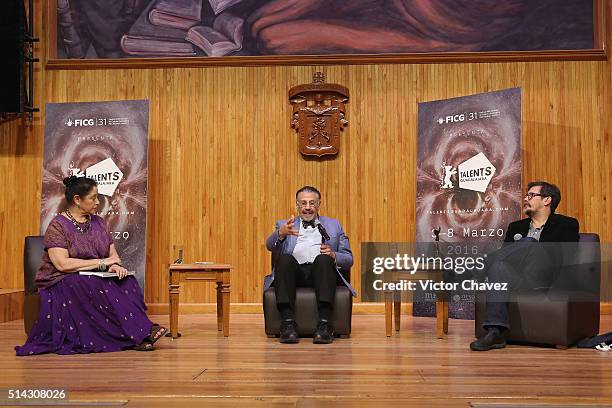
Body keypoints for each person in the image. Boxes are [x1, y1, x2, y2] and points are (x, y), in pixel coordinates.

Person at [16, 176, 166, 356]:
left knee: (127, 281)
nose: (98, 202)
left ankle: (139, 333)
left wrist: (115, 267)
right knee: (92, 284)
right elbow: (62, 264)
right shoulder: (58, 226)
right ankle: (138, 336)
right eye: (93, 198)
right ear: (77, 200)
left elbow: (113, 256)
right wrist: (101, 263)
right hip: (62, 279)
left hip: (95, 274)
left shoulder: (99, 222)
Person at [470, 181, 579, 351]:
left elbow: (566, 257)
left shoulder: (567, 224)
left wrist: (533, 246)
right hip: (517, 281)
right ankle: (495, 332)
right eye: (526, 195)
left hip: (545, 280)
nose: (525, 199)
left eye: (531, 195)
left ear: (547, 200)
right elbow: (506, 258)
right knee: (498, 266)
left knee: (529, 242)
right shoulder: (516, 227)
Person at [265, 186, 354, 344]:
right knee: (284, 259)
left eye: (312, 203)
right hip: (294, 273)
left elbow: (349, 259)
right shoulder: (284, 224)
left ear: (319, 204)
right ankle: (287, 324)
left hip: (321, 273)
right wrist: (281, 233)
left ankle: (325, 325)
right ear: (297, 205)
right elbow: (270, 245)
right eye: (303, 203)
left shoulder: (334, 225)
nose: (307, 208)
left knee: (324, 259)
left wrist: (334, 255)